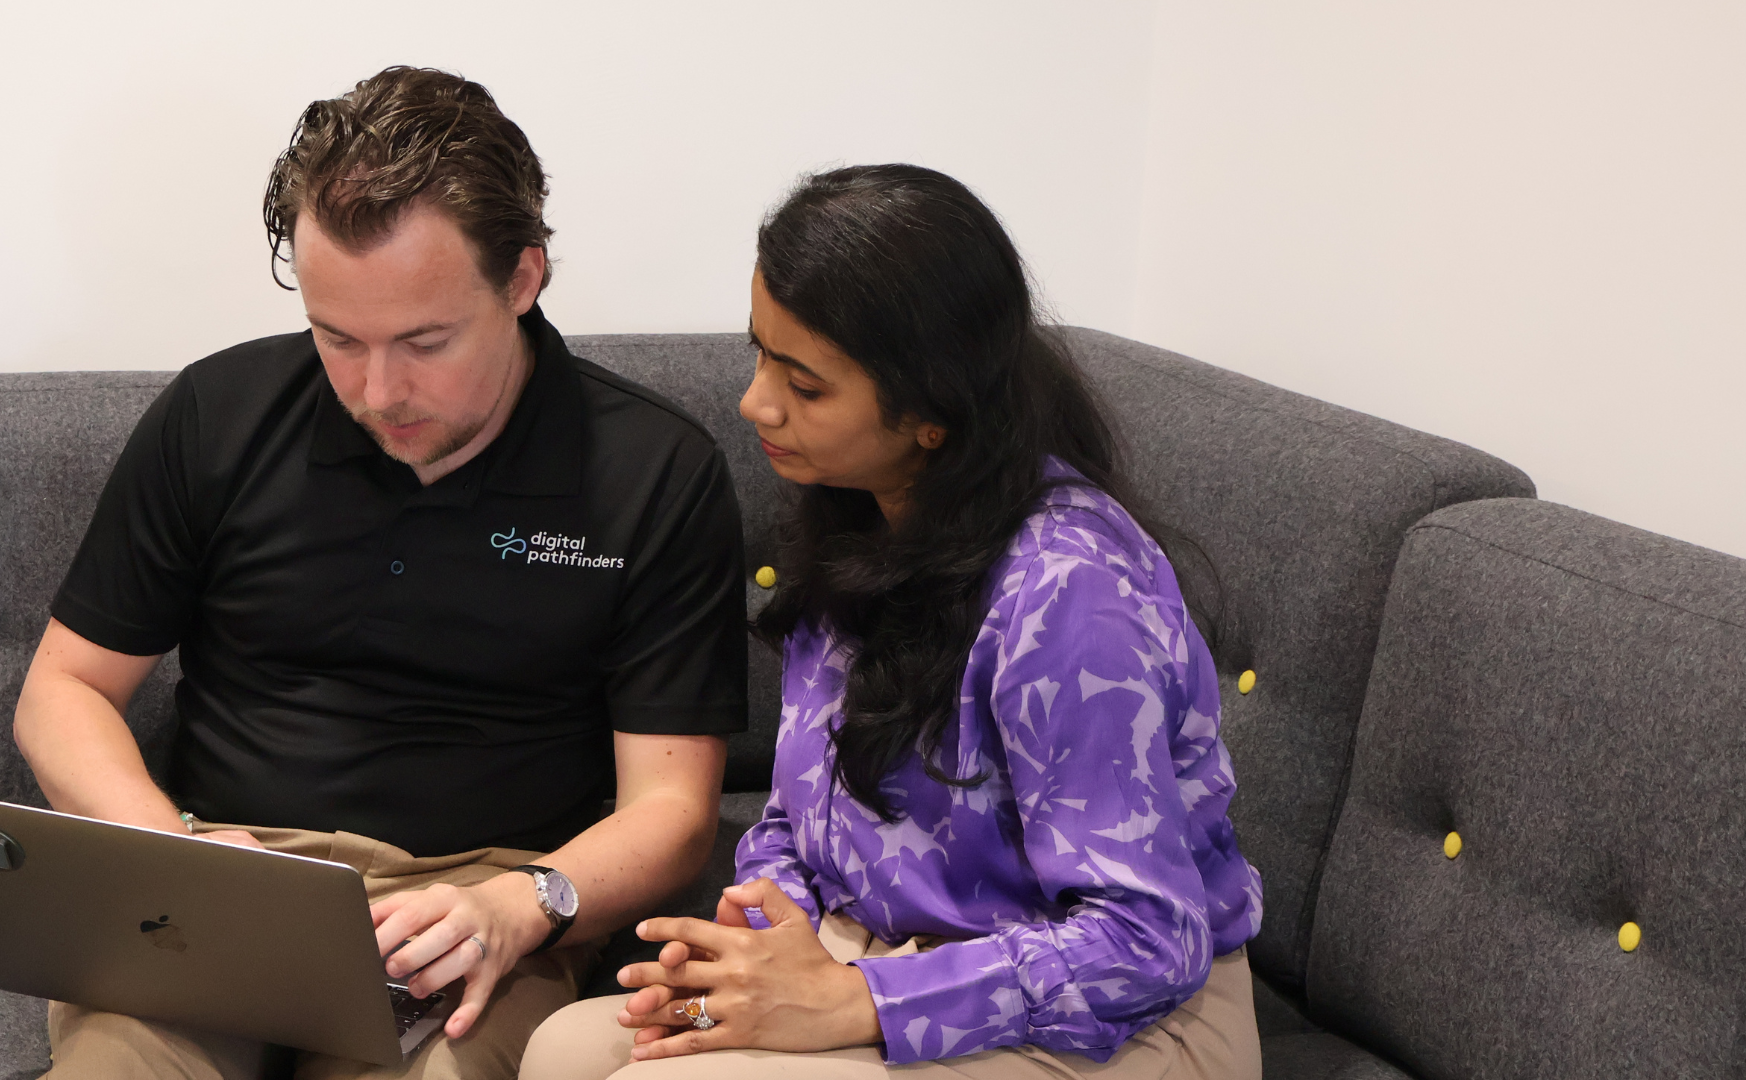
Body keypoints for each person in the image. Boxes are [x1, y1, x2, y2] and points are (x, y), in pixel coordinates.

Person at [11, 67, 747, 1080]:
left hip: (478, 903)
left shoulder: (651, 471)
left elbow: (671, 811)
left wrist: (521, 905)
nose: (377, 390)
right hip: (229, 875)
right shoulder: (218, 416)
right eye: (337, 338)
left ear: (523, 279)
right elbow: (64, 690)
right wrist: (174, 850)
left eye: (425, 341)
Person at [522, 165, 1264, 1079]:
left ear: (930, 413)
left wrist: (858, 1000)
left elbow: (1144, 941)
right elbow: (797, 819)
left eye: (804, 382)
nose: (757, 403)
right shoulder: (861, 514)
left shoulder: (1069, 594)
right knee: (560, 1052)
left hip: (1118, 1017)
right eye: (761, 356)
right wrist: (772, 930)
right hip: (880, 953)